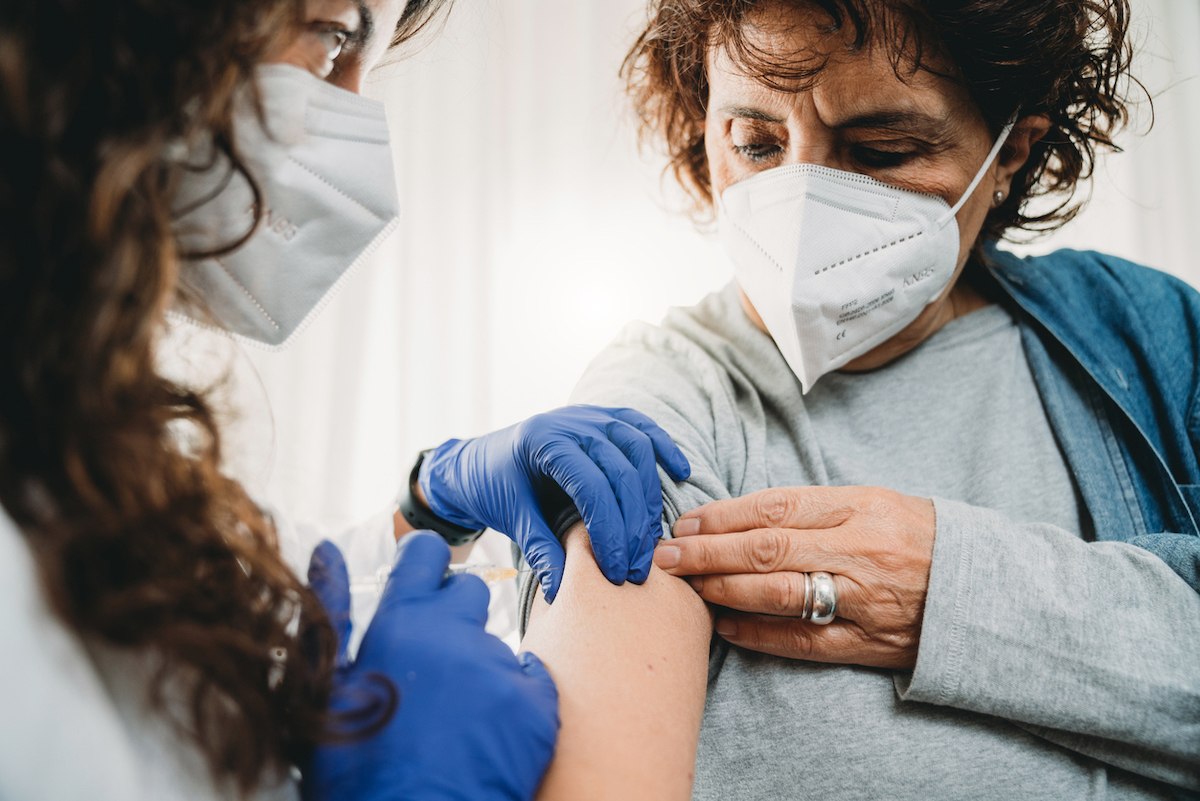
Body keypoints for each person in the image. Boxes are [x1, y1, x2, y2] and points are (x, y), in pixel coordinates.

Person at [0, 1, 691, 799]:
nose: (357, 127)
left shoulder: (68, 411)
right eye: (332, 39)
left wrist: (429, 507)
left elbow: (247, 596)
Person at [517, 1, 1200, 799]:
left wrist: (953, 590)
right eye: (755, 143)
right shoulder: (666, 393)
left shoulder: (1148, 335)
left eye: (882, 151)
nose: (800, 207)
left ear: (1011, 150)